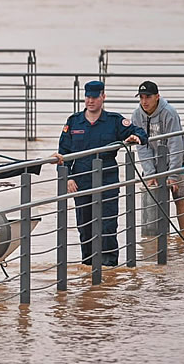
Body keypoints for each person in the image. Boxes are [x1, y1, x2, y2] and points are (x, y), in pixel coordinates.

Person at [58, 80, 148, 266]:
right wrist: (67, 178)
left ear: (103, 97)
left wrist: (136, 137)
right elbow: (63, 153)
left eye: (94, 97)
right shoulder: (74, 122)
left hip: (107, 179)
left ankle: (109, 269)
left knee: (107, 224)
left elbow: (139, 131)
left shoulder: (114, 121)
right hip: (81, 180)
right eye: (87, 97)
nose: (90, 101)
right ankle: (88, 266)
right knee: (85, 226)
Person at [131, 81, 184, 232]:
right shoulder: (137, 115)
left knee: (179, 199)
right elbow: (141, 146)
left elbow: (176, 143)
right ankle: (155, 245)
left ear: (157, 97)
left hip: (174, 162)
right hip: (152, 164)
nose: (144, 101)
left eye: (148, 97)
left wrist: (173, 174)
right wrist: (150, 173)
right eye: (141, 97)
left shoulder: (169, 112)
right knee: (152, 201)